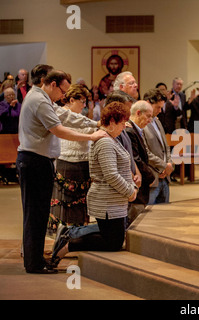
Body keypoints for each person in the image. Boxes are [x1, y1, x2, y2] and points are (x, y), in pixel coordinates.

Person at [17, 69, 108, 274]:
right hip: (34, 161)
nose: (63, 96)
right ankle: (34, 263)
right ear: (51, 84)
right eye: (62, 91)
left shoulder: (43, 98)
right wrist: (91, 137)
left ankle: (36, 259)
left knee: (39, 215)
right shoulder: (39, 101)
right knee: (35, 215)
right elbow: (59, 130)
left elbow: (66, 116)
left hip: (38, 161)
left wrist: (95, 124)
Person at [51, 102, 138, 267]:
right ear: (111, 121)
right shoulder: (105, 142)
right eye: (122, 123)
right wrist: (129, 191)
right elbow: (111, 175)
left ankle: (70, 233)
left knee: (112, 236)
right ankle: (69, 244)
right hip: (106, 200)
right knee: (112, 242)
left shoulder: (111, 138)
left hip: (113, 200)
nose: (124, 127)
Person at [50, 84, 96, 230]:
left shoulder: (79, 117)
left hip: (82, 162)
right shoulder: (62, 115)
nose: (84, 105)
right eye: (81, 102)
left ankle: (77, 234)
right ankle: (63, 235)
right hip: (67, 162)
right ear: (71, 100)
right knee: (66, 201)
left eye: (85, 102)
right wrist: (97, 129)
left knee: (81, 202)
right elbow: (74, 132)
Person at [143, 88, 174, 204]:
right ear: (148, 103)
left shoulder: (157, 121)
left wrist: (169, 164)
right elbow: (145, 153)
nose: (160, 111)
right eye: (158, 107)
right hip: (153, 177)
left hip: (165, 177)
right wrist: (163, 166)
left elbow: (166, 147)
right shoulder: (141, 124)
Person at [125, 100, 157, 216]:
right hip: (136, 184)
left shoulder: (136, 130)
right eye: (148, 116)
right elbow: (135, 159)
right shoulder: (130, 131)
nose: (150, 120)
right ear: (138, 113)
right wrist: (150, 176)